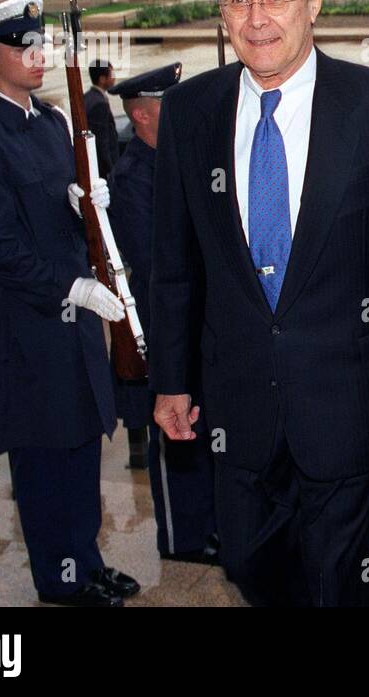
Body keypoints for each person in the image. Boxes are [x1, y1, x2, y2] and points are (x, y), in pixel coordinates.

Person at [148, 0, 369, 607]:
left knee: (337, 572)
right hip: (238, 399)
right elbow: (175, 262)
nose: (257, 19)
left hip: (350, 396)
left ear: (314, 2)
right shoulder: (189, 112)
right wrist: (171, 379)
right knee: (252, 566)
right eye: (237, 0)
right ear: (221, 13)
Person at [0, 0, 138, 607]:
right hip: (32, 319)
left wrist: (89, 203)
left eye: (42, 45)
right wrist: (70, 286)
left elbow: (64, 212)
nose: (39, 56)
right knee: (44, 456)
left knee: (84, 441)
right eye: (23, 48)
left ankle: (86, 558)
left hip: (77, 316)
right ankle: (59, 578)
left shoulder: (54, 122)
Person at [107, 62, 220, 565]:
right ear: (142, 117)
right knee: (173, 433)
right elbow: (157, 261)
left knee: (201, 426)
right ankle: (181, 537)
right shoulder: (134, 177)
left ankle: (210, 524)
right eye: (167, 109)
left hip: (201, 319)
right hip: (166, 324)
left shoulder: (178, 161)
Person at [84, 60, 119, 180]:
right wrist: (111, 170)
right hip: (102, 170)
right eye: (112, 75)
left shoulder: (87, 97)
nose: (114, 79)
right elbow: (102, 142)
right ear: (102, 79)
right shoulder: (100, 103)